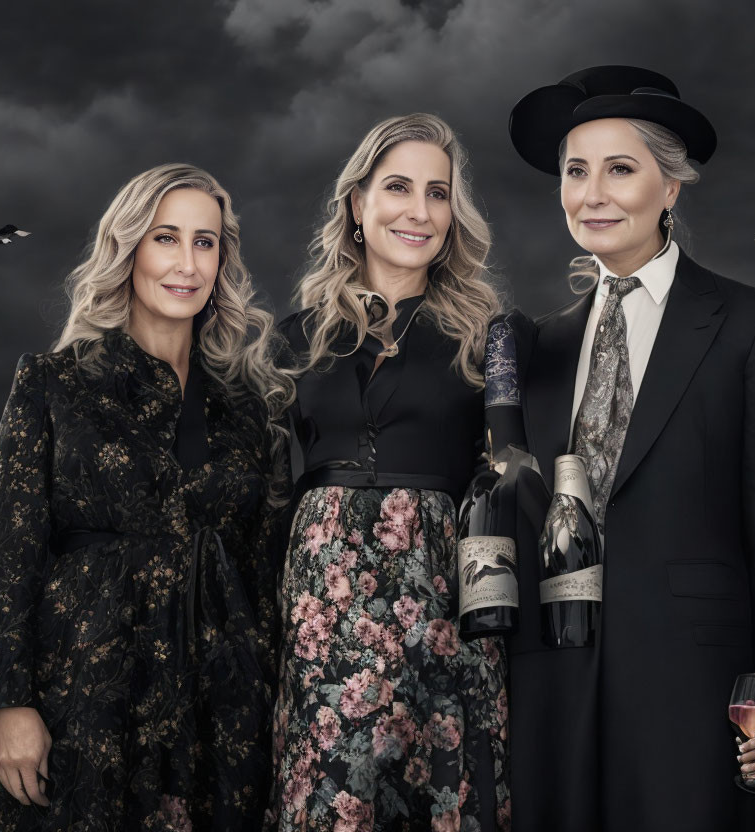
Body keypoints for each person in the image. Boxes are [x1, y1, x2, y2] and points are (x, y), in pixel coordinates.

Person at [502, 66, 755, 831]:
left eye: (621, 169)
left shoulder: (750, 324)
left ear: (671, 187)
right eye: (575, 172)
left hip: (695, 677)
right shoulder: (532, 346)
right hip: (551, 675)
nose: (592, 193)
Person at [0, 163, 293, 831]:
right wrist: (9, 702)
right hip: (84, 696)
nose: (187, 262)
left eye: (206, 242)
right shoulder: (55, 383)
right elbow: (10, 552)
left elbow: (264, 576)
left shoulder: (249, 409)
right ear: (129, 248)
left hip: (220, 715)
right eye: (166, 237)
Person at [266, 114, 511, 831]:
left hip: (442, 603)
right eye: (398, 187)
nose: (420, 210)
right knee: (330, 803)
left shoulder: (488, 337)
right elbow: (266, 489)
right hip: (323, 610)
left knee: (445, 797)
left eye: (439, 193)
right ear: (356, 203)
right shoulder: (291, 338)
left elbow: (507, 477)